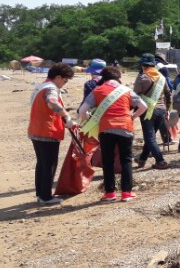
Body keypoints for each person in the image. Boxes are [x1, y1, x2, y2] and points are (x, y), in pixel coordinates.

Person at [78, 66, 147, 201]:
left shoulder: (97, 90)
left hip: (106, 129)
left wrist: (90, 119)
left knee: (108, 160)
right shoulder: (126, 90)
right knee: (126, 159)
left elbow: (82, 111)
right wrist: (132, 117)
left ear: (103, 77)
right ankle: (127, 192)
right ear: (118, 78)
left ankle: (110, 193)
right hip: (125, 127)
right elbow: (143, 106)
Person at [28, 63, 78, 205]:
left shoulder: (41, 86)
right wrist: (66, 116)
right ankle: (46, 197)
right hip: (47, 131)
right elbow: (52, 102)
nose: (65, 83)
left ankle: (41, 194)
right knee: (49, 164)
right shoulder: (51, 88)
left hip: (35, 130)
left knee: (42, 164)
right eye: (65, 80)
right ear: (57, 77)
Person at [133, 53, 170, 170]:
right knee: (151, 137)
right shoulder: (162, 77)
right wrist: (168, 109)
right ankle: (142, 159)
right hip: (161, 110)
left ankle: (161, 161)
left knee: (150, 138)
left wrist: (133, 112)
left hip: (148, 111)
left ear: (143, 66)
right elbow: (168, 94)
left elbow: (135, 97)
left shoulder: (142, 77)